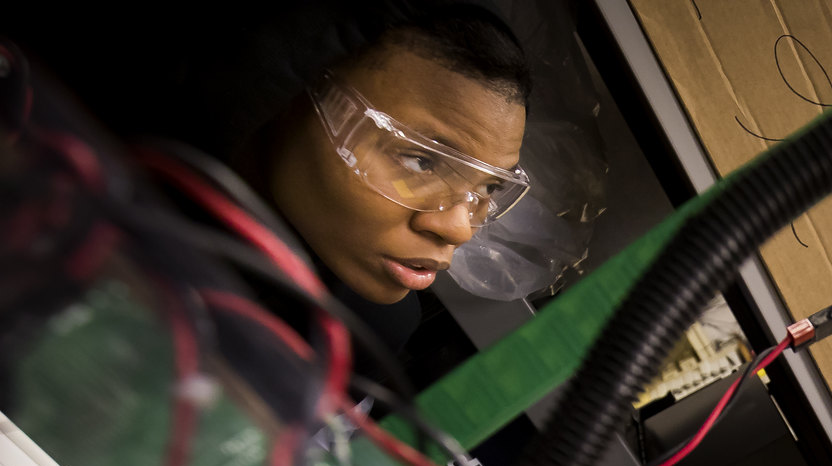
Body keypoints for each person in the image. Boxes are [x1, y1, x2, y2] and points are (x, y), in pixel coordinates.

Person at [17, 2, 531, 354]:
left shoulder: (356, 337)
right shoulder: (46, 172)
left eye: (488, 189)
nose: (459, 229)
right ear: (286, 90)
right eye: (421, 161)